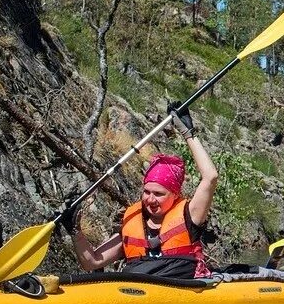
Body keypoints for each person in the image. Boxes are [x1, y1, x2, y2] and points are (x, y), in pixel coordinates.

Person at [70, 107, 217, 279]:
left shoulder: (190, 215)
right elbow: (92, 261)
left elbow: (210, 177)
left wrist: (187, 133)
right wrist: (75, 231)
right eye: (147, 192)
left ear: (175, 194)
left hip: (180, 292)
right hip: (141, 295)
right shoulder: (132, 222)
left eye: (159, 194)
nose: (151, 199)